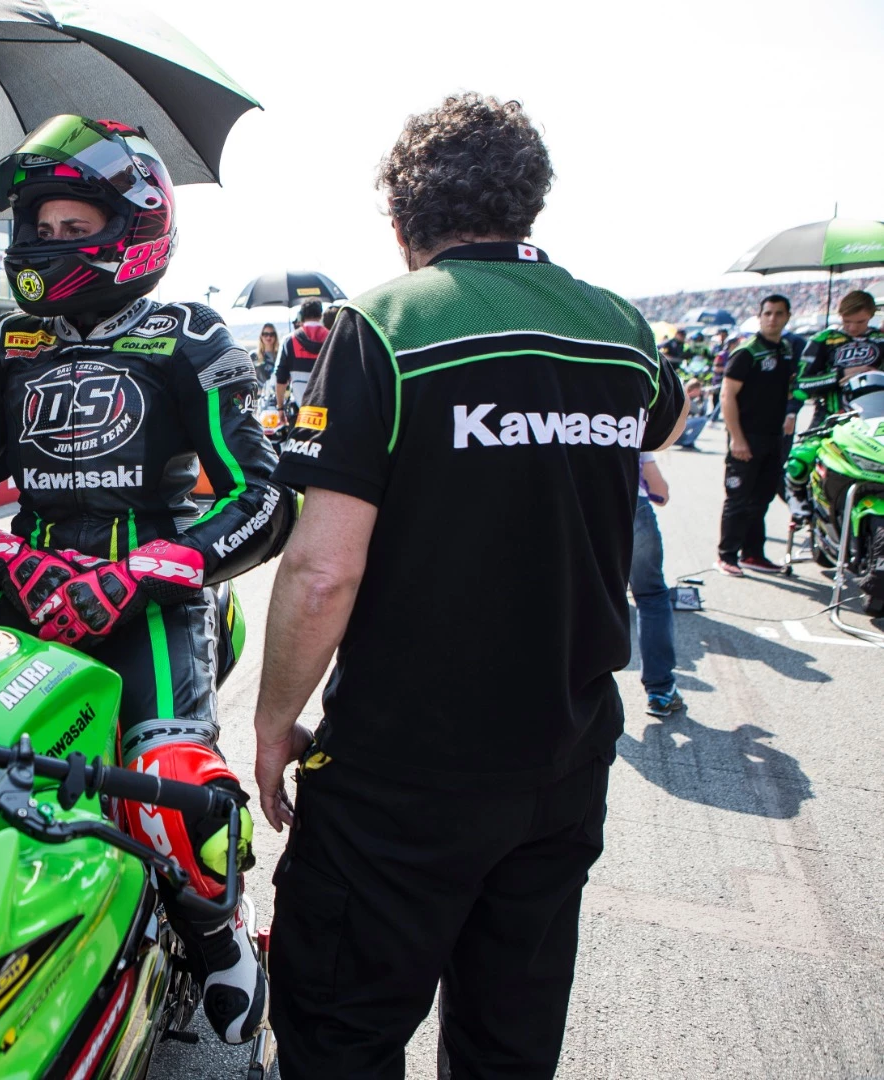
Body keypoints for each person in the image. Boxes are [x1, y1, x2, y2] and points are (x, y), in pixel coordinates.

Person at [250, 93, 685, 1079]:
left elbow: (321, 567)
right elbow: (661, 419)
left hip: (403, 776)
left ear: (403, 217)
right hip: (560, 764)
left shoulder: (383, 323)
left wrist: (274, 722)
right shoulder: (617, 326)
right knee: (507, 1044)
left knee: (337, 1035)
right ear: (525, 202)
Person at [0, 114, 294, 1046]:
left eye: (72, 227)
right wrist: (6, 553)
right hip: (26, 588)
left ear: (133, 226)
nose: (48, 244)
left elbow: (261, 496)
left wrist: (141, 575)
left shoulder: (190, 338)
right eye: (39, 226)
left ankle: (219, 943)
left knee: (169, 791)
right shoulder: (6, 347)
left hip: (154, 601)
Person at [717, 295, 797, 576]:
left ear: (787, 316)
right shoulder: (747, 351)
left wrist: (791, 408)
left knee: (761, 499)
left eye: (778, 313)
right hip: (746, 436)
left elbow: (785, 389)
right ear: (759, 316)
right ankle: (726, 555)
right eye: (767, 313)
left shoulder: (786, 349)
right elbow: (726, 396)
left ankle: (753, 554)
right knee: (738, 499)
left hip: (773, 437)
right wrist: (737, 438)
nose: (772, 318)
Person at [632, 454, 683, 715]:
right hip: (632, 507)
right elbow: (660, 493)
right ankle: (660, 690)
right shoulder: (628, 416)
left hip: (575, 512)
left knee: (579, 599)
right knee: (651, 596)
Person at [794, 289, 883, 424]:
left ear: (871, 315)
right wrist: (839, 375)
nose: (853, 328)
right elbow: (800, 386)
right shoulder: (823, 339)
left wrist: (876, 376)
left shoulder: (881, 339)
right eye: (847, 321)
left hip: (873, 422)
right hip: (829, 421)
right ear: (840, 315)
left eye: (860, 322)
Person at [274, 297, 327, 411]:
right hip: (327, 413)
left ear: (302, 316)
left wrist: (280, 408)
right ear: (320, 315)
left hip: (299, 412)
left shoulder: (289, 341)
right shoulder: (332, 338)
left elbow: (281, 379)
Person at [676, 377, 708, 448]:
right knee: (703, 420)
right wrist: (705, 399)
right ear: (695, 390)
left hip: (673, 428)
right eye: (699, 390)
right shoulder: (688, 399)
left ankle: (681, 441)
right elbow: (702, 413)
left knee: (683, 438)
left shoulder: (683, 395)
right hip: (675, 427)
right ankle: (688, 443)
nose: (700, 392)